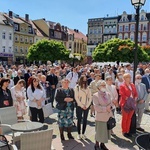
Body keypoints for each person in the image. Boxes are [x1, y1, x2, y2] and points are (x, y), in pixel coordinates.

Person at [93, 80, 113, 150]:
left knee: (106, 132)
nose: (104, 86)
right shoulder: (95, 95)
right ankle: (96, 145)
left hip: (108, 116)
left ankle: (102, 144)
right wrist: (105, 108)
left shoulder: (108, 94)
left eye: (105, 85)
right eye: (102, 85)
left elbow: (111, 103)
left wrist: (110, 107)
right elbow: (96, 107)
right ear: (98, 87)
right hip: (100, 117)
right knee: (99, 131)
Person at [119, 73, 138, 137]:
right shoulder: (122, 85)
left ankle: (127, 130)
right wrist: (130, 99)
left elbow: (135, 93)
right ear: (124, 78)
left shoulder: (132, 85)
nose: (129, 78)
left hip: (132, 104)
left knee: (129, 118)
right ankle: (124, 131)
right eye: (128, 77)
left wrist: (135, 98)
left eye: (130, 77)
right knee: (125, 118)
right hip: (125, 104)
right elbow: (122, 95)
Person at [74, 75, 92, 140]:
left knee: (85, 120)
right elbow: (76, 97)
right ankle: (79, 133)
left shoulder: (88, 88)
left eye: (85, 80)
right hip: (79, 106)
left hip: (86, 106)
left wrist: (87, 105)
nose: (84, 81)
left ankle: (83, 133)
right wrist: (81, 105)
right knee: (79, 120)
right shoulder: (77, 87)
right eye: (83, 80)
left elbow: (90, 97)